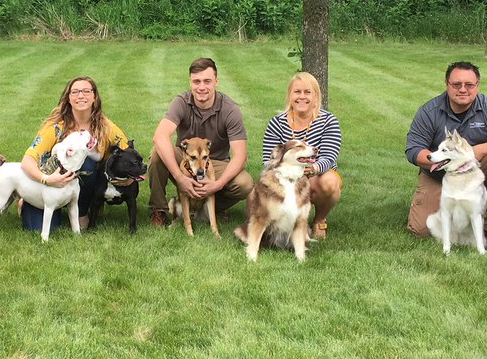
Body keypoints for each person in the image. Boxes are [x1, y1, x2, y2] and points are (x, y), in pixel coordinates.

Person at [405, 61, 487, 250]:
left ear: (477, 85)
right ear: (447, 84)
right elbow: (413, 150)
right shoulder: (429, 112)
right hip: (440, 174)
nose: (463, 89)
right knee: (421, 229)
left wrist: (479, 151)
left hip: (475, 170)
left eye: (469, 85)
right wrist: (445, 163)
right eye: (456, 84)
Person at [149, 57, 253, 227]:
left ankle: (213, 206)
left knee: (244, 183)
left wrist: (217, 184)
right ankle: (158, 210)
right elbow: (159, 137)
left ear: (216, 81)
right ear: (190, 82)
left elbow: (240, 155)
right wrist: (179, 177)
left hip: (216, 162)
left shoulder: (230, 109)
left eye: (207, 81)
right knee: (157, 154)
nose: (202, 87)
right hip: (186, 159)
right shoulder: (181, 102)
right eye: (196, 81)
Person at [19, 76, 130, 232]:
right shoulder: (55, 127)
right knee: (38, 228)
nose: (80, 96)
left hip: (85, 182)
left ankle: (82, 211)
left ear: (94, 97)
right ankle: (28, 201)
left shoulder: (106, 127)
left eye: (86, 91)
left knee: (87, 162)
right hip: (47, 184)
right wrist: (47, 179)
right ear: (68, 98)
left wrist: (129, 179)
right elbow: (27, 160)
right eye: (75, 92)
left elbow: (127, 153)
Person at [261, 71, 342, 239]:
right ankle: (286, 224)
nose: (302, 97)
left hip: (316, 175)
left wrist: (310, 169)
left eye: (307, 92)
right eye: (297, 92)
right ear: (290, 95)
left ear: (316, 96)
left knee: (330, 183)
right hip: (285, 176)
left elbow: (329, 157)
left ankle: (319, 219)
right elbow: (268, 160)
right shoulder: (277, 123)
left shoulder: (329, 121)